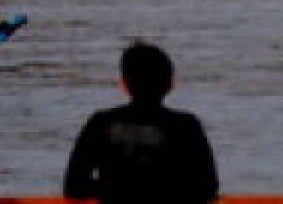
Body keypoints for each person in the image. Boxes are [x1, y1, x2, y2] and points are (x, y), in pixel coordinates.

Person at [64, 41, 218, 204]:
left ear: (125, 84)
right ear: (170, 84)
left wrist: (116, 187)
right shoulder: (186, 126)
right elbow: (207, 189)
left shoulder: (100, 123)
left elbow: (74, 188)